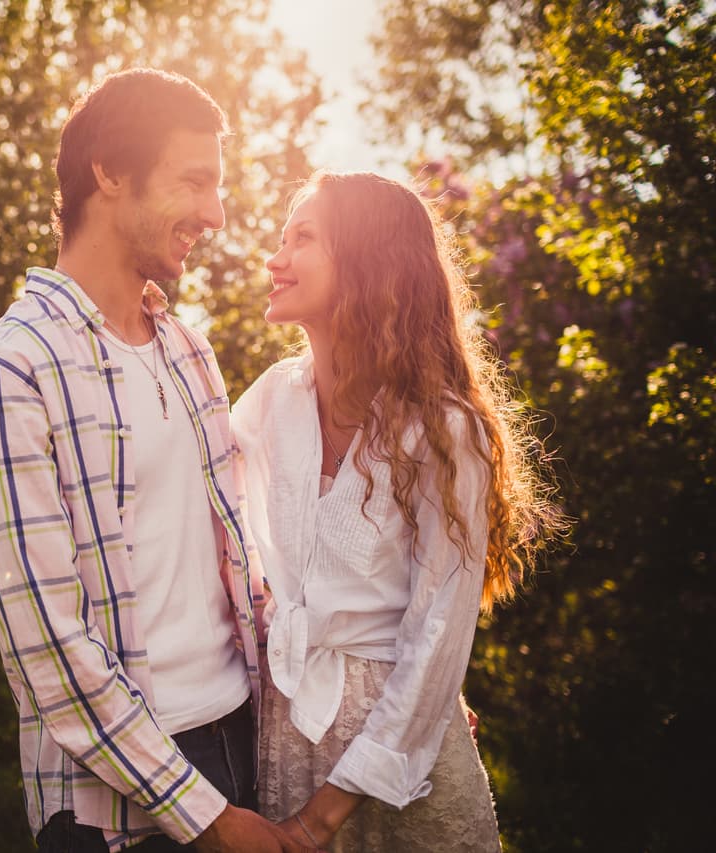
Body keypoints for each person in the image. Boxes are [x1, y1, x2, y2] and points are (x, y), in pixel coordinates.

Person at [0, 69, 304, 852]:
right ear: (109, 171)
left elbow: (246, 573)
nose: (216, 213)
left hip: (244, 745)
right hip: (113, 810)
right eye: (194, 181)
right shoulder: (8, 372)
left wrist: (380, 696)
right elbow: (48, 648)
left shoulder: (188, 350)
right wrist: (206, 817)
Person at [232, 171, 563, 850]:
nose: (276, 258)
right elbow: (203, 491)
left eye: (302, 239)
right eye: (280, 238)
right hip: (290, 735)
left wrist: (318, 819)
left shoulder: (444, 430)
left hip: (403, 762)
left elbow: (436, 634)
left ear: (365, 263)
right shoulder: (269, 401)